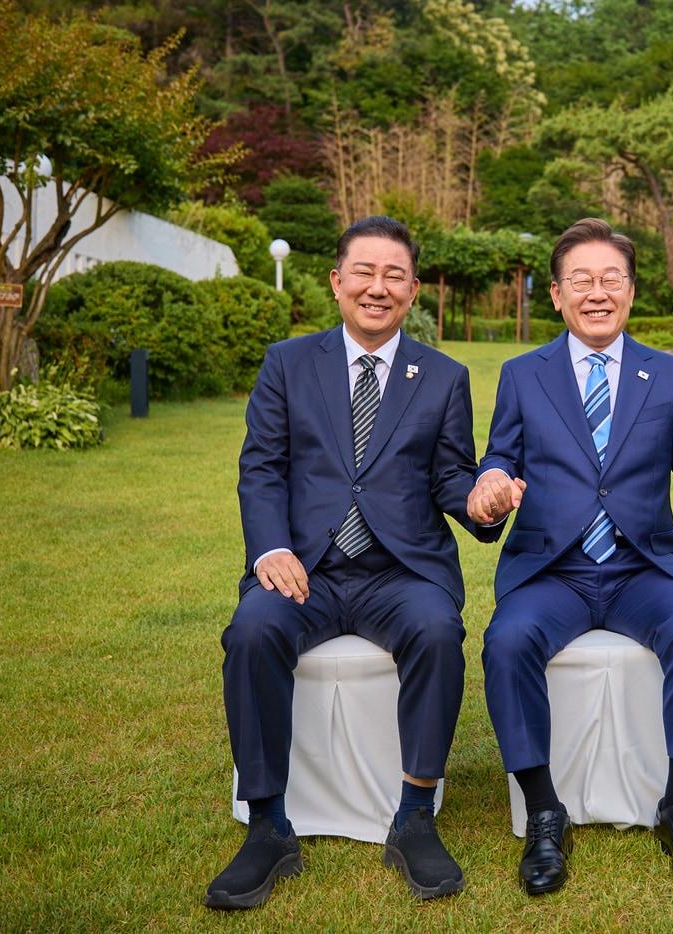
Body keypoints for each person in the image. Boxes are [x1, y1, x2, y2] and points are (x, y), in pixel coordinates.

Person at [205, 216, 502, 909]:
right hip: (304, 567)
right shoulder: (288, 362)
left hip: (399, 574)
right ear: (337, 281)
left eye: (394, 274)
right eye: (363, 272)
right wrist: (270, 549)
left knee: (437, 633)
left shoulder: (443, 376)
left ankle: (415, 814)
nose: (378, 287)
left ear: (412, 288)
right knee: (252, 632)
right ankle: (267, 823)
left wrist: (482, 501)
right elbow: (262, 469)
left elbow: (451, 478)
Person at [468, 218, 673, 895]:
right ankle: (544, 813)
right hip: (552, 570)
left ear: (630, 290)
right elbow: (502, 453)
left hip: (640, 569)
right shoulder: (522, 374)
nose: (597, 293)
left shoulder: (669, 374)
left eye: (611, 280)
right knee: (505, 643)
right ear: (558, 297)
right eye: (581, 281)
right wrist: (489, 484)